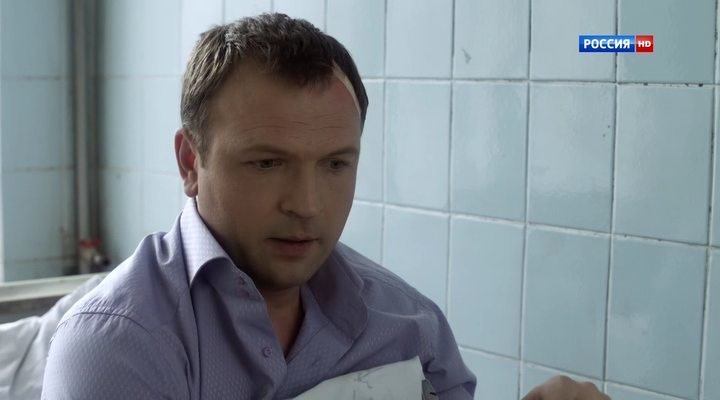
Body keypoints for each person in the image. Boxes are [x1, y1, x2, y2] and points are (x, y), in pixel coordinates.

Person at [42, 13, 609, 400]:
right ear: (191, 162)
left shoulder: (410, 328)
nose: (307, 205)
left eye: (335, 164)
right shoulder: (119, 347)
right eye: (267, 163)